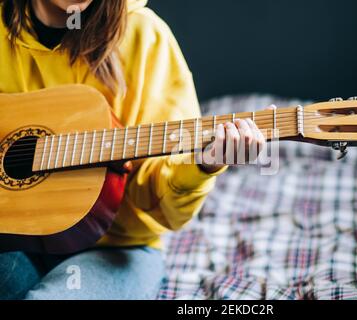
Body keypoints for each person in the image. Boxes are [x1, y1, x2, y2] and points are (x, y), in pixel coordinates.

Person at [0, 0, 270, 300]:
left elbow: (162, 206)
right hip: (15, 240)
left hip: (116, 249)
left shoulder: (146, 36)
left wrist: (202, 166)